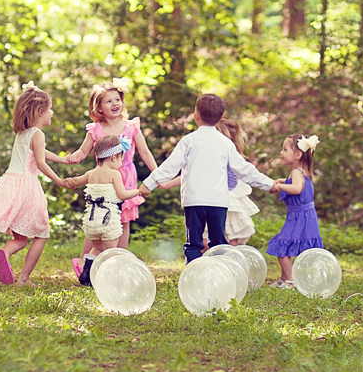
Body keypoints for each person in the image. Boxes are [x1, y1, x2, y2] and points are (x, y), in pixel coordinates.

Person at [138, 94, 275, 263]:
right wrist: (270, 184)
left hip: (194, 202)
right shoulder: (226, 143)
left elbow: (169, 167)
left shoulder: (189, 141)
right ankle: (222, 274)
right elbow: (245, 170)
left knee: (194, 244)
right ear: (221, 117)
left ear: (196, 114)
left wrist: (148, 184)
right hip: (218, 202)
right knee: (218, 244)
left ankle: (194, 275)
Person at [65, 78, 158, 277]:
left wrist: (157, 174)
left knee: (123, 219)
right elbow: (83, 151)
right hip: (105, 178)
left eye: (117, 99)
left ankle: (119, 259)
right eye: (108, 101)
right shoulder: (96, 129)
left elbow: (145, 152)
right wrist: (74, 157)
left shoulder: (131, 127)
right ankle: (83, 259)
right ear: (98, 107)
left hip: (126, 177)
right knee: (99, 217)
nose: (115, 104)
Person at [0, 82, 67, 287]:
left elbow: (39, 153)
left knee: (21, 239)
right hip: (27, 187)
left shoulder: (23, 133)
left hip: (10, 183)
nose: (52, 112)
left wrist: (64, 159)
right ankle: (23, 279)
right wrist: (59, 181)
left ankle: (4, 253)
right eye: (50, 109)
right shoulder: (38, 134)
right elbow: (40, 161)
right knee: (42, 233)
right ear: (40, 111)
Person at [161, 119, 261, 248]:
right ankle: (217, 261)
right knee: (227, 240)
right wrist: (168, 184)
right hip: (223, 199)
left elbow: (191, 175)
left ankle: (220, 262)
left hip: (222, 198)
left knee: (221, 240)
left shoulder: (224, 154)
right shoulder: (229, 153)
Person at [64, 135, 141, 286]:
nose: (121, 163)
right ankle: (109, 280)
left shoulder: (91, 173)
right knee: (110, 253)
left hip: (92, 222)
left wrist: (66, 182)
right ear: (113, 157)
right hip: (107, 221)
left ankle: (86, 274)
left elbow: (74, 181)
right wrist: (139, 191)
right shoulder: (114, 174)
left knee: (96, 248)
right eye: (120, 159)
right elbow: (122, 195)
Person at [266, 134, 323, 289]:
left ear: (297, 155)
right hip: (303, 215)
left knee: (282, 247)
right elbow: (297, 184)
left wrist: (279, 186)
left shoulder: (297, 171)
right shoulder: (301, 170)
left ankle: (290, 280)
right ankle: (285, 278)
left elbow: (297, 188)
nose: (281, 152)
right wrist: (282, 181)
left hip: (300, 216)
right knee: (286, 245)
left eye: (285, 149)